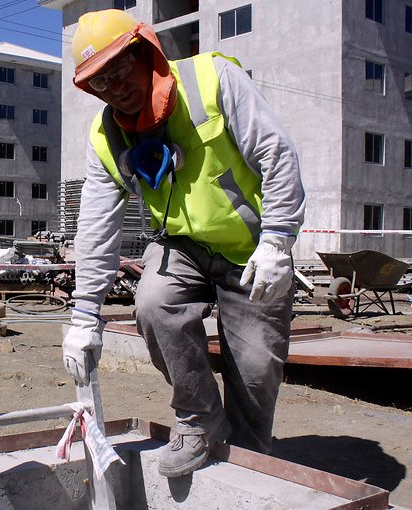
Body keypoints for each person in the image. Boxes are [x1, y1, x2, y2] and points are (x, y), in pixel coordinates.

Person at [62, 10, 305, 478]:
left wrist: (277, 240)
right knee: (153, 302)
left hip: (251, 249)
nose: (114, 88)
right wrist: (84, 313)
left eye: (118, 70)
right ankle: (199, 423)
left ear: (146, 53)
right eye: (99, 83)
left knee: (255, 371)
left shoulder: (213, 81)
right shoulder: (105, 135)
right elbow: (95, 226)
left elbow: (277, 154)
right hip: (182, 247)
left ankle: (249, 462)